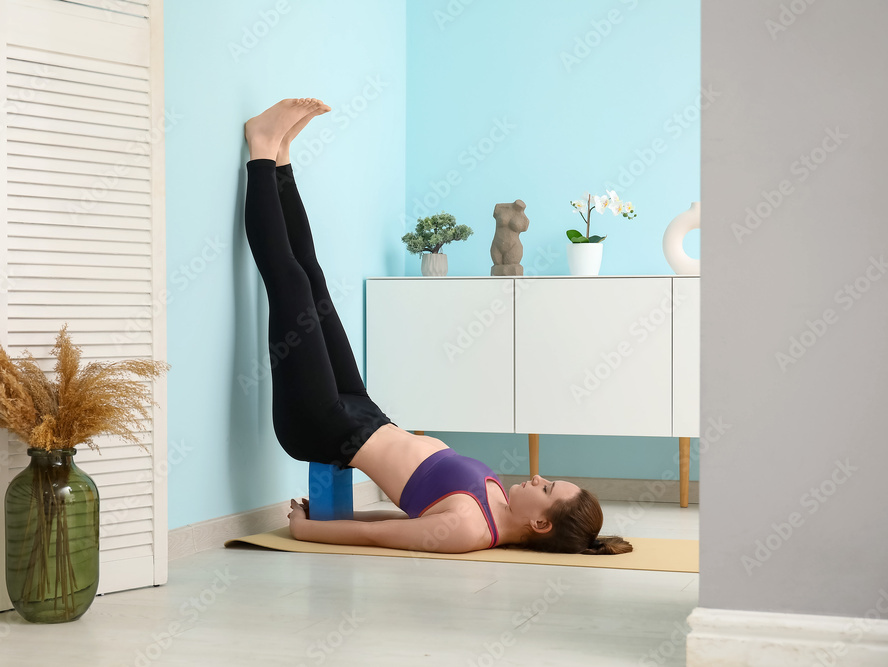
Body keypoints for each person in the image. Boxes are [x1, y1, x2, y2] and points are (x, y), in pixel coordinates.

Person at [243, 98, 633, 556]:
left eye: (546, 490)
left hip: (322, 424)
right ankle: (282, 156)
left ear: (541, 524)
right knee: (311, 275)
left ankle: (261, 147)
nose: (539, 478)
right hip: (362, 413)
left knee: (288, 279)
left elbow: (381, 534)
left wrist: (310, 531)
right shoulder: (496, 502)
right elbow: (405, 520)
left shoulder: (470, 531)